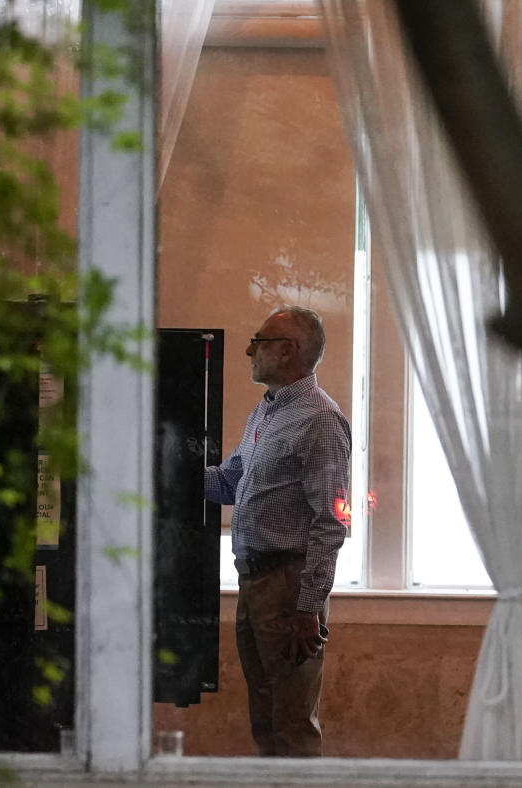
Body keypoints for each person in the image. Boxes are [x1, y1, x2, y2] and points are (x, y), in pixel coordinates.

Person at [205, 305, 351, 757]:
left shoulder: (319, 420)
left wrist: (308, 608)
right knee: (266, 720)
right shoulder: (267, 412)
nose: (249, 350)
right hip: (255, 582)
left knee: (290, 727)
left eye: (259, 341)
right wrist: (160, 465)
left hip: (289, 588)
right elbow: (229, 483)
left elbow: (331, 523)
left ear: (287, 350)